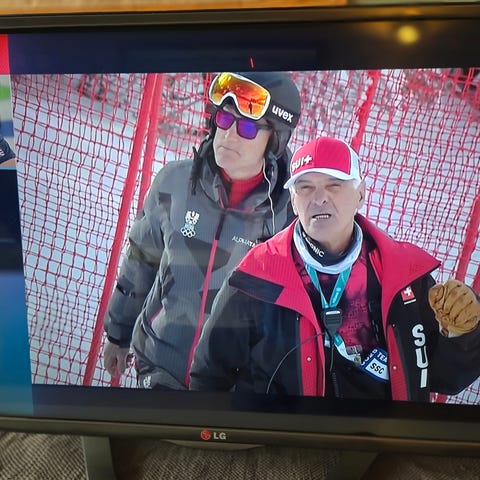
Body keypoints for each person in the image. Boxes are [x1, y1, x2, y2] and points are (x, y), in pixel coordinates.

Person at [190, 135, 480, 401]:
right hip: (288, 438)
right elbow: (208, 377)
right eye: (305, 187)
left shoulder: (404, 276)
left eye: (334, 185)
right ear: (293, 200)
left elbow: (446, 378)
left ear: (360, 194)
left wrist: (462, 335)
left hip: (386, 436)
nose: (319, 198)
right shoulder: (256, 277)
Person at [103, 71, 302, 390]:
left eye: (247, 127)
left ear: (275, 140)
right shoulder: (174, 183)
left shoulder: (290, 215)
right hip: (158, 367)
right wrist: (118, 333)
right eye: (225, 119)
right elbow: (140, 260)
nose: (229, 135)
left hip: (228, 388)